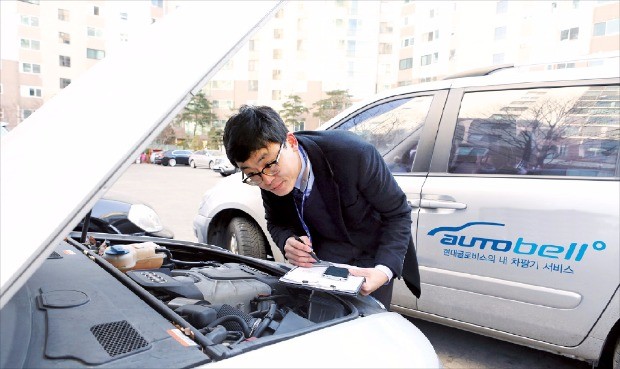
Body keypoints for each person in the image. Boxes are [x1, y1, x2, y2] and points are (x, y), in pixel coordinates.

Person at [223, 105, 420, 308]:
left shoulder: (353, 155)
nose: (267, 180)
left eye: (269, 164)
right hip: (319, 266)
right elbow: (276, 222)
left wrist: (383, 271)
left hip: (369, 262)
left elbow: (398, 214)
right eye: (252, 174)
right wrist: (287, 241)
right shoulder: (265, 174)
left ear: (291, 142)